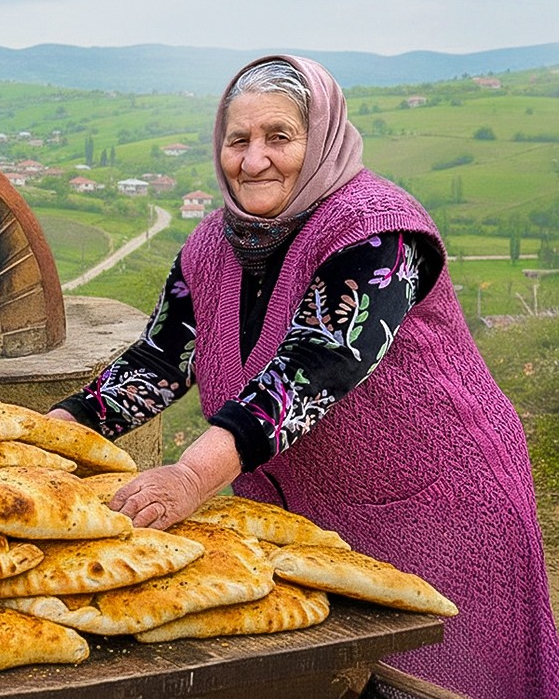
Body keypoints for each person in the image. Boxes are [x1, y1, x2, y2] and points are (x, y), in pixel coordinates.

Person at [47, 54, 559, 698]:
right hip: (305, 512)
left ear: (321, 139)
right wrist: (47, 434)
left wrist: (190, 477)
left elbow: (315, 366)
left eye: (279, 137)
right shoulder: (212, 246)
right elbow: (159, 361)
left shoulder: (378, 232)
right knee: (322, 675)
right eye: (238, 139)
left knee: (429, 679)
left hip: (436, 505)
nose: (254, 160)